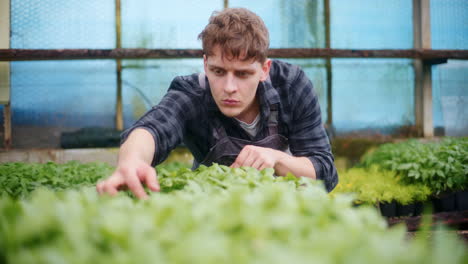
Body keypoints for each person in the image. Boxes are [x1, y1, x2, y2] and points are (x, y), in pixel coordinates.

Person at [96, 7, 338, 199]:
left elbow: (325, 172)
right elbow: (154, 128)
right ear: (205, 65)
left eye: (243, 74)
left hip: (284, 209)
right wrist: (132, 161)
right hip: (214, 210)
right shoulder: (191, 93)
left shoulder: (291, 86)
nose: (229, 87)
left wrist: (277, 159)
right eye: (218, 71)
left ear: (264, 69)